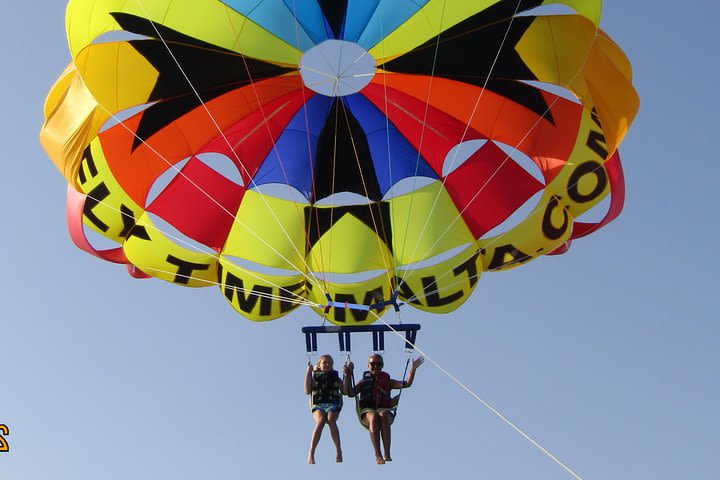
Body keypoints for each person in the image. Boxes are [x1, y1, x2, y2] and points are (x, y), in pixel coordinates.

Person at [343, 354, 424, 464]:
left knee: (383, 415)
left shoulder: (388, 381)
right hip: (367, 412)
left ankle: (387, 453)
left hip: (383, 410)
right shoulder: (364, 381)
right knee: (374, 416)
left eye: (379, 364)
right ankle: (378, 454)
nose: (376, 366)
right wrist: (348, 374)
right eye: (373, 364)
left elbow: (406, 384)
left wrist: (413, 369)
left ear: (382, 366)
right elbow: (351, 393)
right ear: (368, 365)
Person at [304, 354, 344, 464]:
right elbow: (307, 391)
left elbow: (345, 391)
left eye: (330, 363)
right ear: (319, 365)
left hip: (333, 404)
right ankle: (311, 453)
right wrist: (308, 372)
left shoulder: (336, 378)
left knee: (331, 418)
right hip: (318, 405)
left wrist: (347, 373)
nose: (327, 364)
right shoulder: (314, 377)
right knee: (321, 420)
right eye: (325, 362)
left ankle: (338, 450)